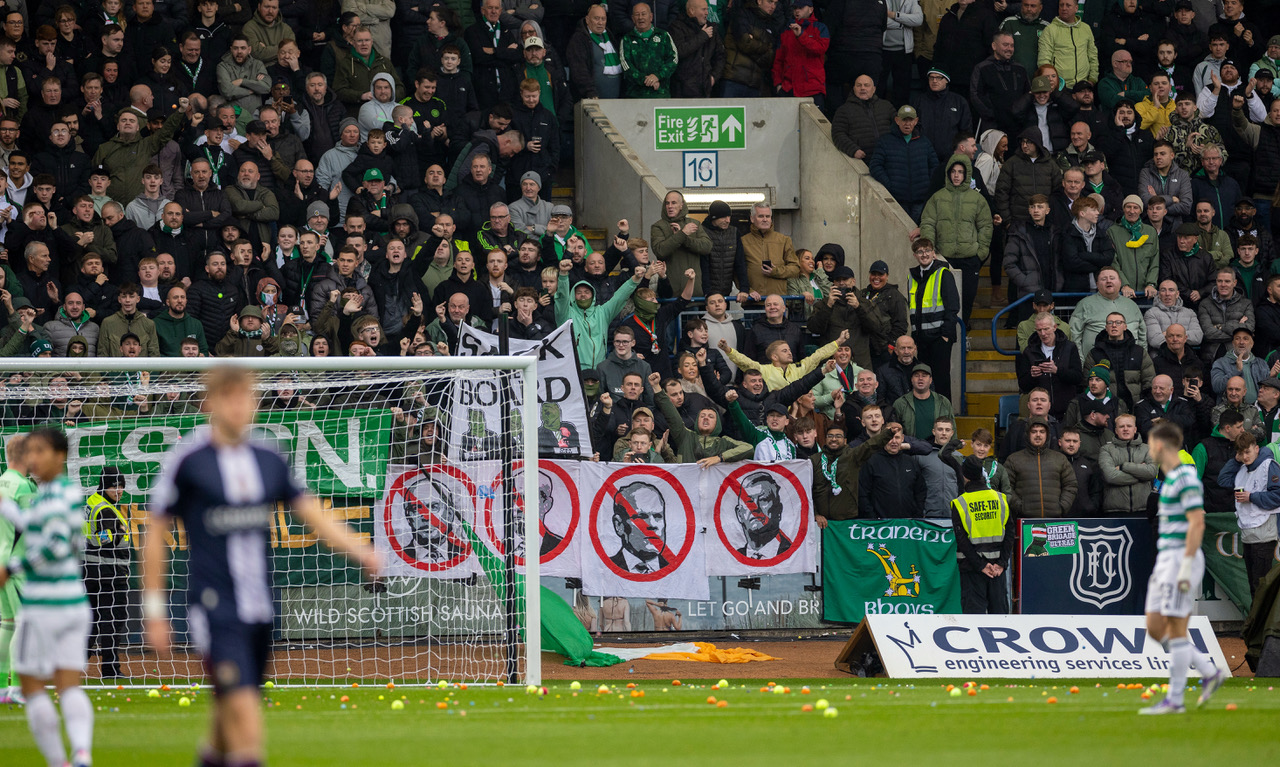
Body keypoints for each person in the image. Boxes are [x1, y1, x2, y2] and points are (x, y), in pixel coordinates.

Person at [143, 367, 378, 766]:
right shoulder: (189, 461)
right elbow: (154, 533)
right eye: (229, 398)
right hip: (214, 604)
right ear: (211, 404)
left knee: (231, 702)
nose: (239, 407)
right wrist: (154, 609)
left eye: (245, 397)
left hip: (262, 605)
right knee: (245, 708)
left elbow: (312, 515)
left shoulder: (268, 458)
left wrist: (362, 550)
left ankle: (211, 757)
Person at [0, 427, 94, 767]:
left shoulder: (56, 495)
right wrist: (7, 509)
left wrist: (11, 567)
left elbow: (54, 546)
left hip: (43, 606)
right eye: (30, 452)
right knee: (68, 685)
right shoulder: (56, 494)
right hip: (72, 603)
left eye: (40, 451)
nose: (33, 458)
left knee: (32, 685)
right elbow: (35, 525)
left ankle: (59, 760)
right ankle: (82, 753)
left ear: (60, 456)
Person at [1140, 420, 1226, 714]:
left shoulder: (1187, 477)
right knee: (1154, 626)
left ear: (1161, 445)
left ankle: (1175, 700)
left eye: (1151, 444)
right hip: (1165, 559)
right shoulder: (1170, 478)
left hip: (1180, 559)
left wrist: (1187, 566)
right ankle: (1208, 669)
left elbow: (1197, 522)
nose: (1149, 449)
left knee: (1176, 630)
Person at [919, 153, 991, 326]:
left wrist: (980, 253)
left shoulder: (977, 199)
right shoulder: (937, 198)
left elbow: (986, 226)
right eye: (953, 171)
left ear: (966, 175)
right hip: (944, 259)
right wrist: (931, 250)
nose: (956, 175)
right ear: (948, 173)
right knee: (943, 300)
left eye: (960, 172)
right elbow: (927, 223)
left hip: (969, 259)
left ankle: (963, 332)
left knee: (966, 299)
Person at [1217, 431, 1280, 596]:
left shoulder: (1269, 465)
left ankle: (1262, 621)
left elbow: (1278, 496)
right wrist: (1235, 460)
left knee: (1261, 585)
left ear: (1257, 448)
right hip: (1248, 532)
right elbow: (1223, 480)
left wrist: (1251, 497)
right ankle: (1255, 621)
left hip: (1264, 532)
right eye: (1240, 453)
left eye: (1247, 452)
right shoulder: (1242, 468)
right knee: (1254, 584)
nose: (1245, 457)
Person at [0, 434, 36, 705]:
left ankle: (2, 687)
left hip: (1, 560)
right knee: (25, 625)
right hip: (16, 565)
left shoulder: (2, 482)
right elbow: (31, 528)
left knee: (8, 624)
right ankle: (18, 687)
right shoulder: (24, 487)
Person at [952, 456, 1012, 614]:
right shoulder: (1000, 498)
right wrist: (1001, 563)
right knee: (1000, 619)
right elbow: (1010, 534)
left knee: (974, 620)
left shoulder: (960, 503)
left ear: (964, 476)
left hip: (972, 568)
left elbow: (962, 540)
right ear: (982, 474)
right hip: (997, 569)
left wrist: (980, 565)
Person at [905, 238, 959, 400]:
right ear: (915, 255)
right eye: (920, 252)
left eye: (927, 250)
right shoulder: (912, 277)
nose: (924, 254)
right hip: (921, 339)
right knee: (923, 382)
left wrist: (945, 335)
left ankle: (945, 420)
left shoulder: (943, 273)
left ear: (933, 253)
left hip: (939, 338)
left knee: (941, 381)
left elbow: (953, 306)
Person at [868, 105, 938, 222]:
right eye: (904, 120)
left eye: (910, 120)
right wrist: (890, 185)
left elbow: (934, 166)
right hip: (897, 200)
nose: (907, 124)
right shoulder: (885, 141)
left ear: (916, 121)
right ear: (897, 121)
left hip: (920, 201)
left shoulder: (924, 142)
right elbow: (875, 166)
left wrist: (927, 186)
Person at [1005, 416, 1078, 517]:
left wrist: (1062, 507)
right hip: (1024, 521)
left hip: (1054, 522)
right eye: (1034, 431)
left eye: (1042, 431)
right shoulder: (1013, 459)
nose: (1038, 435)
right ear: (1027, 434)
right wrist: (1019, 507)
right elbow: (1006, 488)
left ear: (1047, 434)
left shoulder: (1060, 459)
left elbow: (1071, 485)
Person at [1098, 414, 1157, 515]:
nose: (1125, 429)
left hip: (1144, 510)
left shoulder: (1148, 449)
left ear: (1135, 429)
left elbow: (1152, 472)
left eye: (1129, 426)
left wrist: (1123, 467)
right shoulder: (1106, 449)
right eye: (1121, 426)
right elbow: (1110, 476)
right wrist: (1142, 475)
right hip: (1115, 511)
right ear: (1116, 430)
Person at [607, 481, 669, 573]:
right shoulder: (603, 570)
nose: (652, 525)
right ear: (619, 525)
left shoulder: (681, 571)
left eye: (657, 516)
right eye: (642, 517)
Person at [1037, 0, 1098, 87]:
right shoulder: (1050, 30)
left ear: (1076, 8)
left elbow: (1093, 56)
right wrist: (1051, 82)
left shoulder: (1086, 28)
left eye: (1068, 5)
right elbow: (1043, 60)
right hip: (1060, 87)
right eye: (1061, 5)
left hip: (1083, 85)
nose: (1064, 8)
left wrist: (1092, 79)